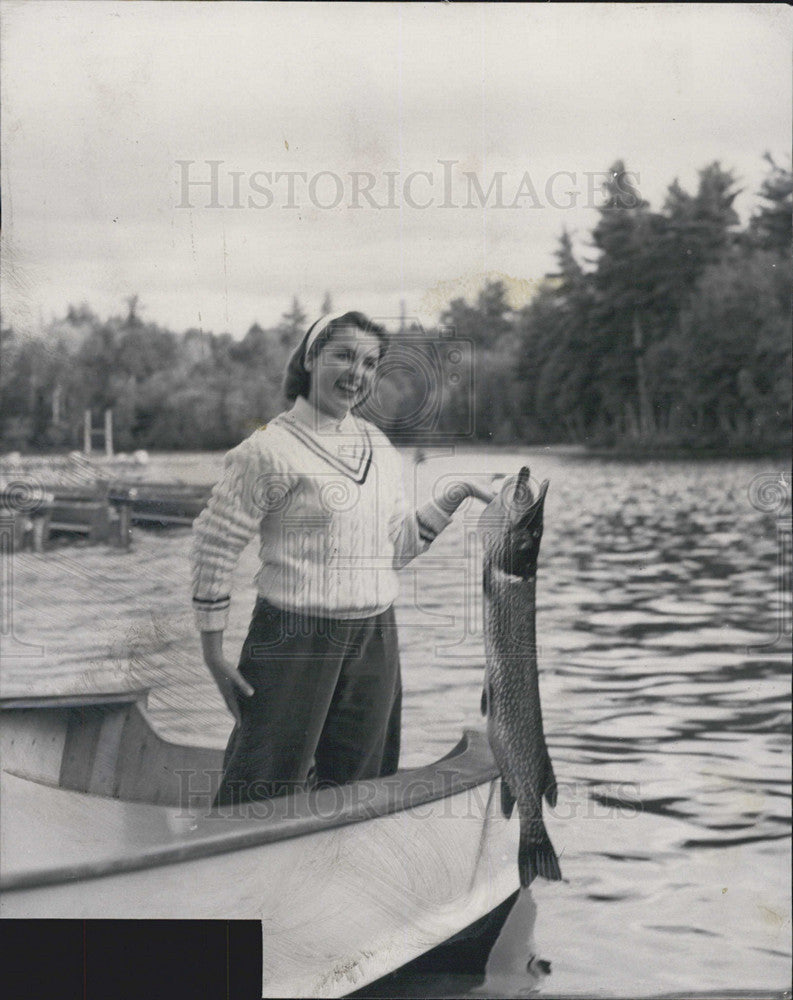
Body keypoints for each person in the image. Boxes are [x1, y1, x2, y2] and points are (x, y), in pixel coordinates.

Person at [190, 310, 493, 806]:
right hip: (292, 639)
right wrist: (211, 650)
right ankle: (238, 877)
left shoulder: (379, 446)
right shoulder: (267, 450)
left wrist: (453, 495)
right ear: (311, 358)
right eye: (344, 356)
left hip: (375, 638)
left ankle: (337, 881)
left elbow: (393, 549)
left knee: (363, 788)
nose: (358, 374)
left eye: (371, 363)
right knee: (262, 791)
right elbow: (214, 544)